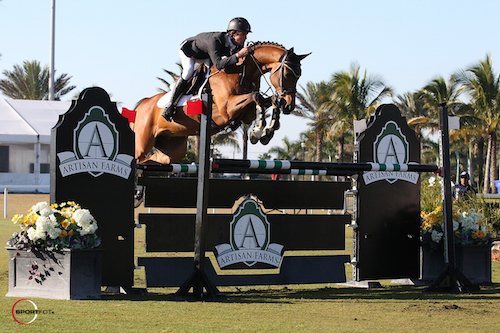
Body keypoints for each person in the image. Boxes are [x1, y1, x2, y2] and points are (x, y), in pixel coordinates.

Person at [162, 17, 252, 121]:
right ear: (234, 34)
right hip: (190, 52)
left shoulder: (235, 43)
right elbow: (218, 64)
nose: (245, 38)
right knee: (188, 71)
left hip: (206, 55)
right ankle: (170, 105)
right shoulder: (215, 40)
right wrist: (238, 55)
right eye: (244, 35)